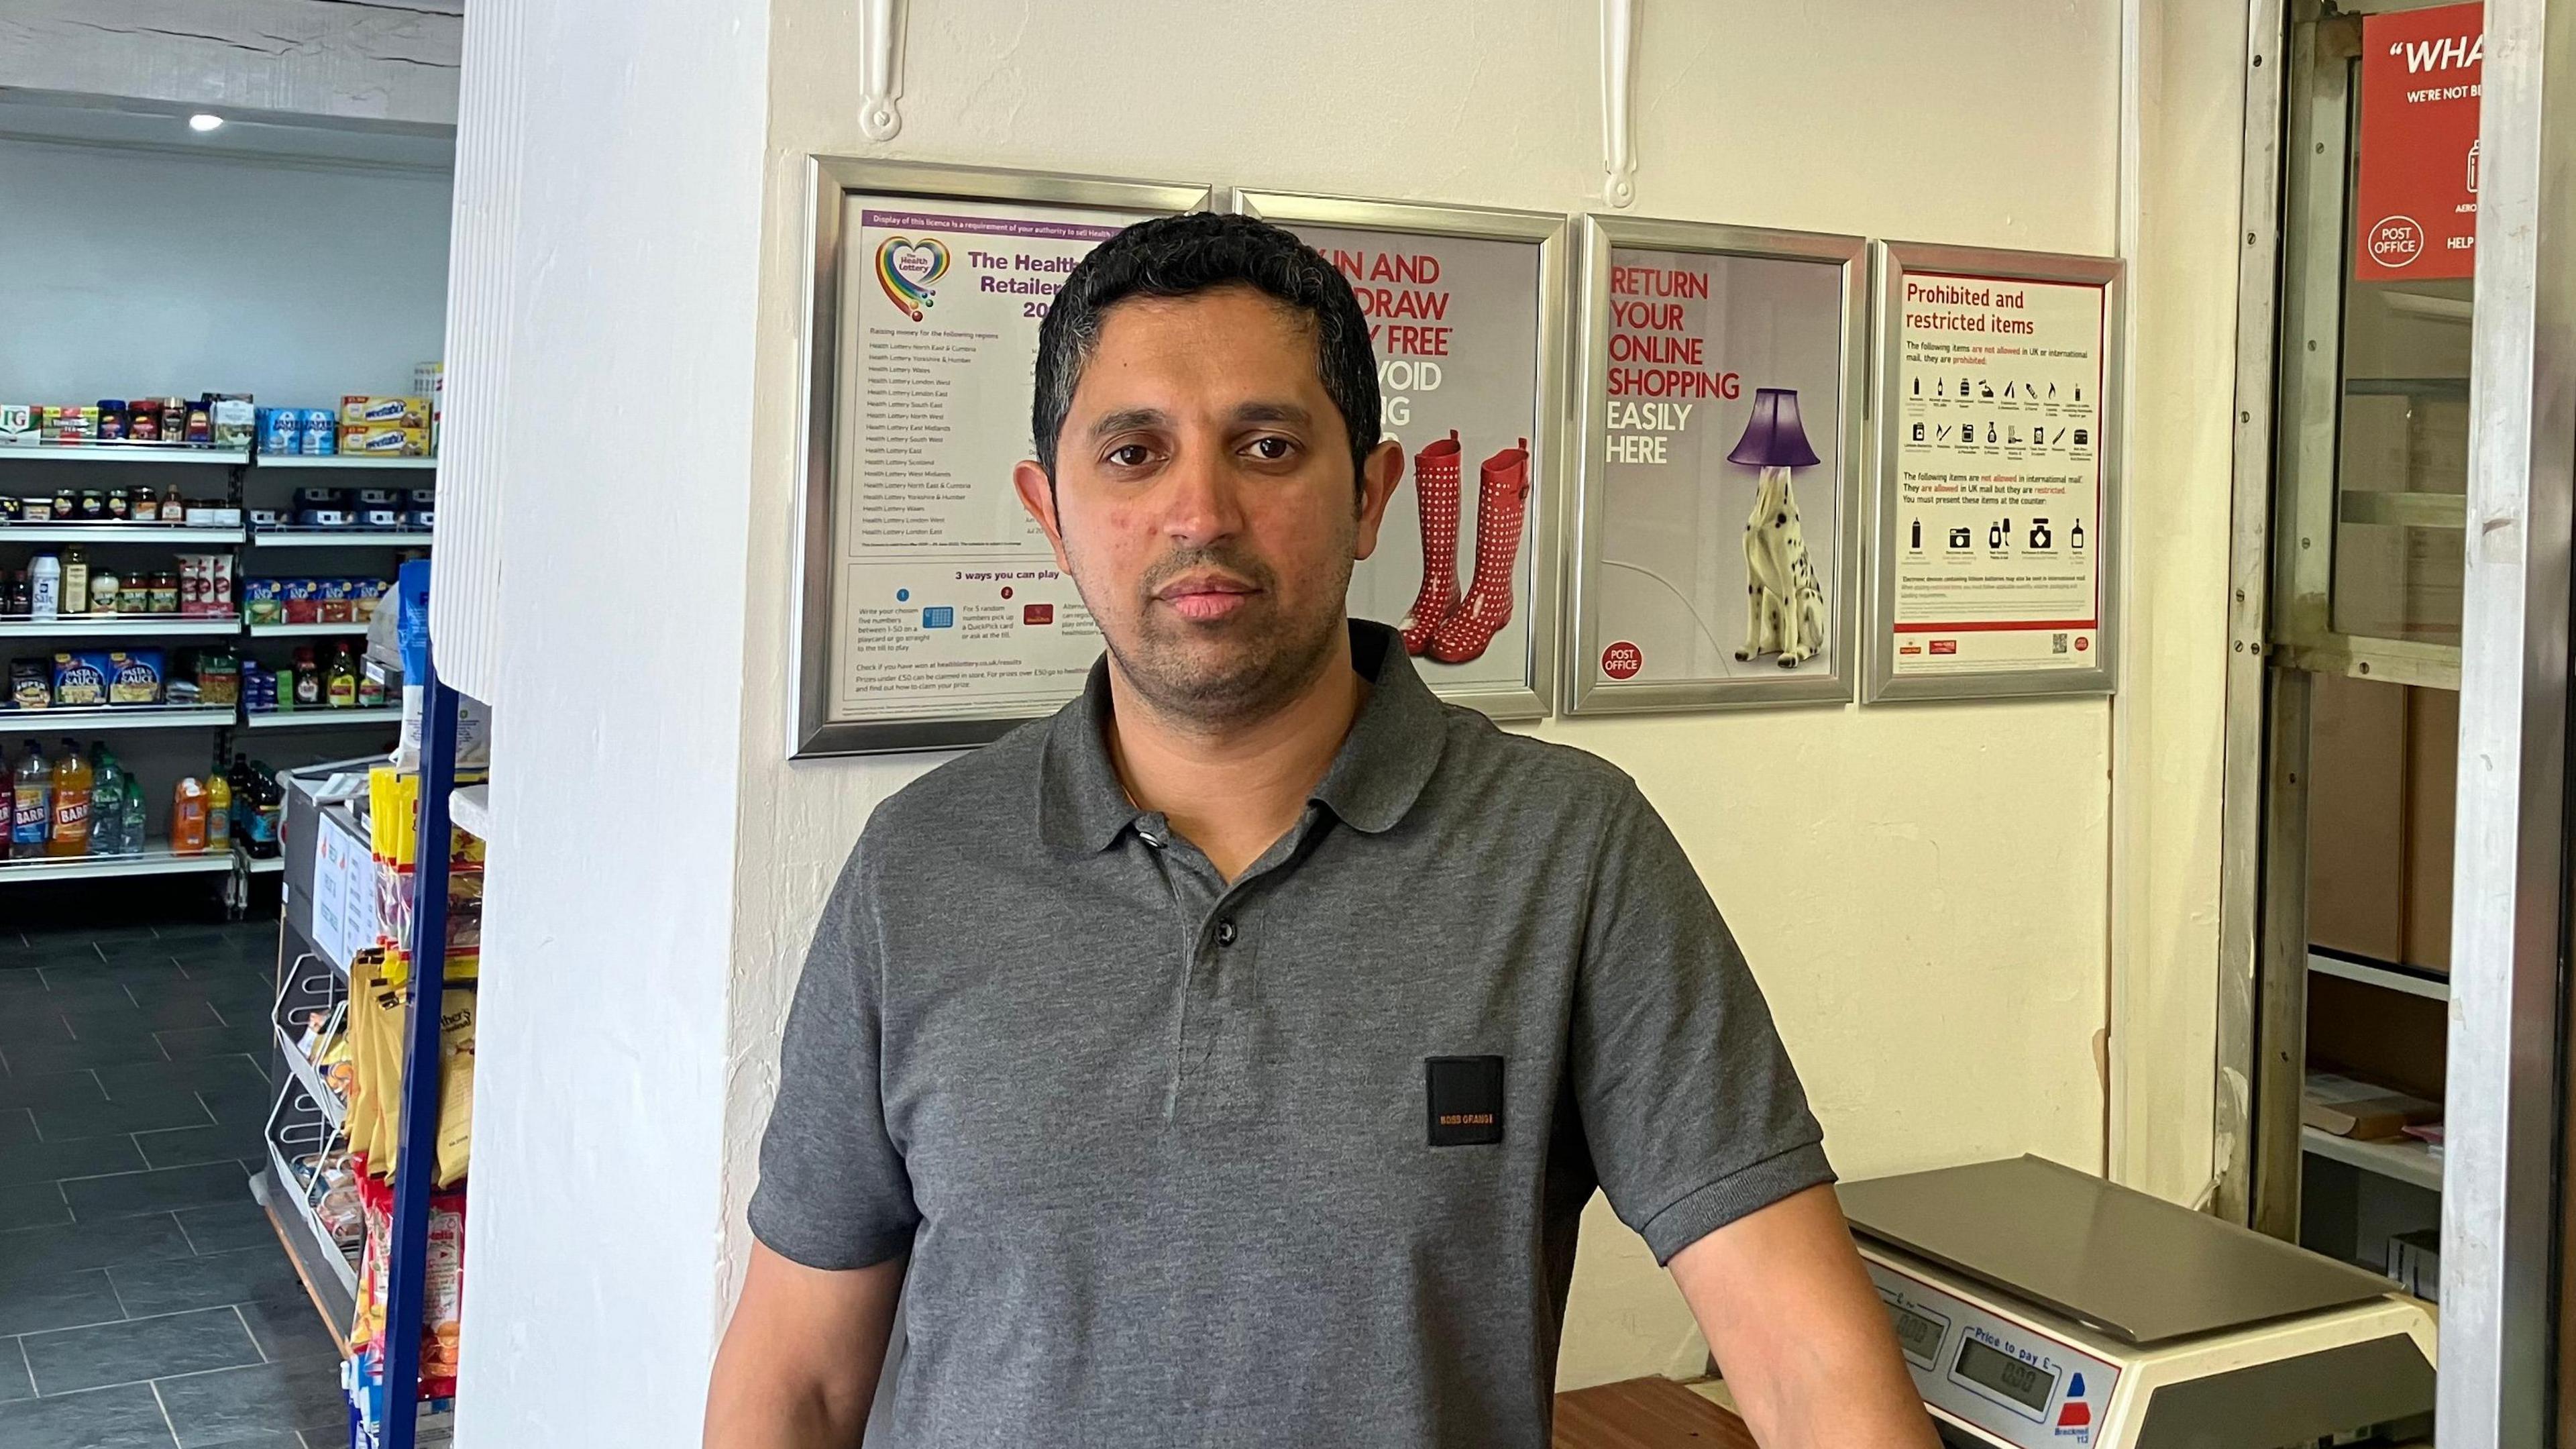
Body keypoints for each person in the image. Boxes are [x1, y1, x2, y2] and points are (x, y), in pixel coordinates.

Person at [704, 212, 1936, 1448]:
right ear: (1051, 510)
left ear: (1370, 495)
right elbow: (798, 1376)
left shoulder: (1567, 852)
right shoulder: (920, 867)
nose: (1201, 511)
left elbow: (1802, 1364)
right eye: (1134, 453)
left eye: (1268, 444)